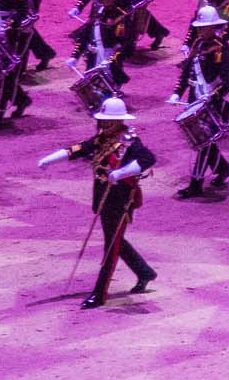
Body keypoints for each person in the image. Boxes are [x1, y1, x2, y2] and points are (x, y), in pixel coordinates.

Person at [39, 97, 156, 309]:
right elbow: (78, 149)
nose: (102, 124)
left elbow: (148, 160)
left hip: (120, 200)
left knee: (111, 247)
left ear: (118, 121)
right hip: (103, 197)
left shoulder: (129, 141)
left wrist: (120, 173)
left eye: (106, 121)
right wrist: (50, 159)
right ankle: (144, 271)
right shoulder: (103, 139)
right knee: (115, 239)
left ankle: (99, 293)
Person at [172, 4, 229, 198]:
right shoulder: (198, 46)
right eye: (199, 27)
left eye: (204, 27)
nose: (201, 30)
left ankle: (196, 183)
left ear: (213, 27)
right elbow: (188, 70)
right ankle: (224, 168)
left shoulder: (220, 49)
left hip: (211, 103)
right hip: (195, 99)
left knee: (203, 143)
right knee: (204, 142)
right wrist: (178, 92)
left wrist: (214, 96)